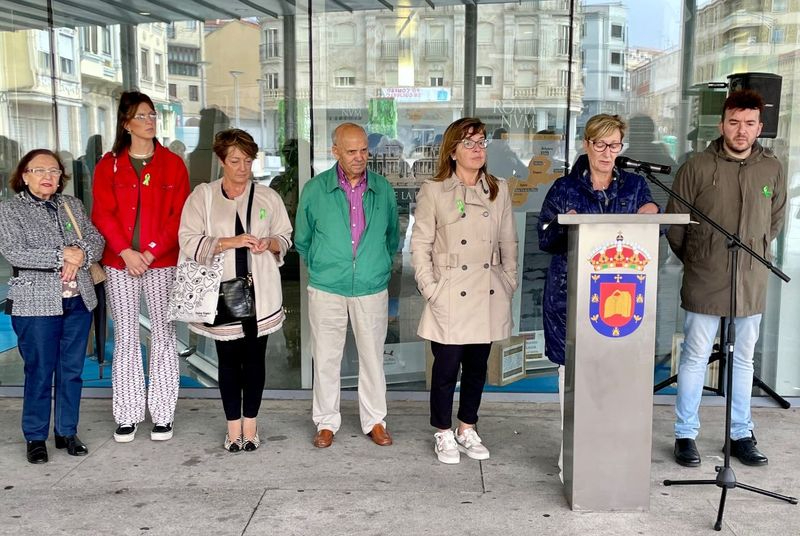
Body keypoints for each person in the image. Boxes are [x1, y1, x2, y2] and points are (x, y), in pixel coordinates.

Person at [667, 90, 786, 468]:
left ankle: (740, 434)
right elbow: (676, 226)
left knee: (744, 360)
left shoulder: (772, 167)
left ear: (760, 128)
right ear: (722, 125)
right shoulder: (697, 166)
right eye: (734, 122)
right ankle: (686, 434)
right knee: (695, 357)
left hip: (750, 279)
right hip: (705, 276)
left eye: (749, 123)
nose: (741, 130)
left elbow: (776, 219)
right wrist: (699, 257)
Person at [537, 114, 658, 477]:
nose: (608, 153)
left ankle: (611, 456)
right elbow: (545, 240)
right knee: (573, 378)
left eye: (615, 145)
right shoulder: (563, 188)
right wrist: (564, 224)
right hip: (570, 298)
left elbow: (653, 236)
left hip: (622, 300)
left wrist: (653, 215)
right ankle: (571, 458)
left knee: (616, 376)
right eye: (601, 144)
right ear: (587, 145)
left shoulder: (635, 186)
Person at [411, 118, 518, 464]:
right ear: (453, 150)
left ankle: (466, 427)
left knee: (477, 367)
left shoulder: (498, 188)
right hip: (450, 290)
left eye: (482, 142)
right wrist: (430, 288)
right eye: (469, 143)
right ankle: (442, 431)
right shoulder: (434, 189)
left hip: (487, 290)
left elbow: (508, 241)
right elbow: (420, 243)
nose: (477, 150)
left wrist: (509, 280)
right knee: (445, 369)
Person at [178, 129, 292, 452]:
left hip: (261, 292)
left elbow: (284, 237)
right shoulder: (203, 196)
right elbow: (187, 239)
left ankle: (251, 425)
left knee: (255, 360)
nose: (242, 167)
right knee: (228, 361)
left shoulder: (268, 197)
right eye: (235, 160)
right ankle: (232, 428)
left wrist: (268, 243)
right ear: (221, 161)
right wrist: (230, 242)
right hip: (220, 293)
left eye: (248, 160)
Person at [92, 91, 190, 443]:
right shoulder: (109, 164)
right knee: (127, 338)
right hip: (120, 264)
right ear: (126, 122)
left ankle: (163, 414)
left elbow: (178, 215)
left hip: (161, 261)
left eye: (152, 115)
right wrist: (125, 251)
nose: (149, 121)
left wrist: (148, 252)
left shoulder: (172, 164)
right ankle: (128, 413)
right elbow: (102, 212)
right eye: (142, 116)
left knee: (164, 335)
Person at [295, 122, 399, 449]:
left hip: (370, 285)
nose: (359, 157)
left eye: (364, 150)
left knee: (372, 358)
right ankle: (326, 422)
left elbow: (392, 237)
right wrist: (325, 266)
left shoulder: (383, 189)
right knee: (326, 357)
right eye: (351, 151)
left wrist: (375, 263)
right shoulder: (315, 190)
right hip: (327, 287)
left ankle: (375, 421)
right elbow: (302, 240)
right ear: (335, 151)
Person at [0, 149, 104, 463]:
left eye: (55, 171)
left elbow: (96, 239)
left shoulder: (72, 205)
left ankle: (66, 431)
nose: (48, 177)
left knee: (72, 371)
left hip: (77, 300)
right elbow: (15, 252)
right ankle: (35, 436)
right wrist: (64, 257)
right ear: (25, 175)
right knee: (40, 370)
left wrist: (81, 255)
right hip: (35, 303)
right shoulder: (10, 210)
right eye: (40, 170)